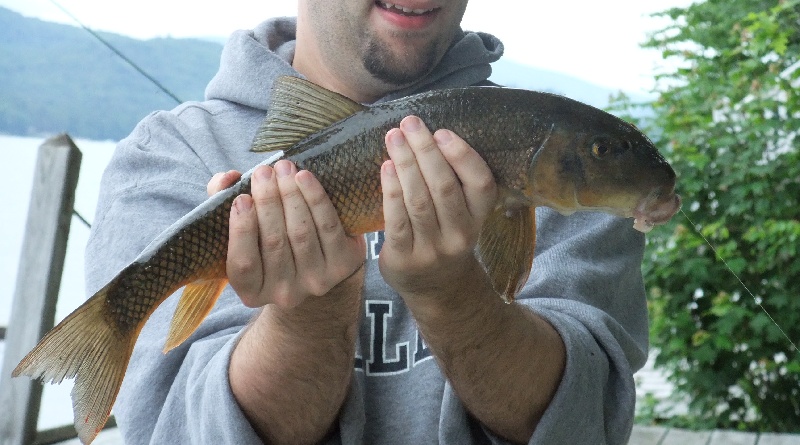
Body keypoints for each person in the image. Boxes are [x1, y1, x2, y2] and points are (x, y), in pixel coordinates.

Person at [85, 1, 649, 443]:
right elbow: (173, 434)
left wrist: (455, 298)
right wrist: (304, 320)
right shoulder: (166, 155)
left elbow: (589, 424)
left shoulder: (560, 151)